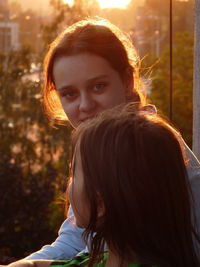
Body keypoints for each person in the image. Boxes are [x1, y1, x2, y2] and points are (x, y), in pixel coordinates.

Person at [23, 17, 200, 260]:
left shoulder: (149, 150)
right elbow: (76, 238)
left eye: (98, 87)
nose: (85, 106)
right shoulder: (98, 149)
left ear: (127, 80)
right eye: (70, 94)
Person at [4, 106, 200, 266]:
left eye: (73, 173)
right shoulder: (98, 260)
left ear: (100, 205)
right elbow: (35, 265)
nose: (67, 185)